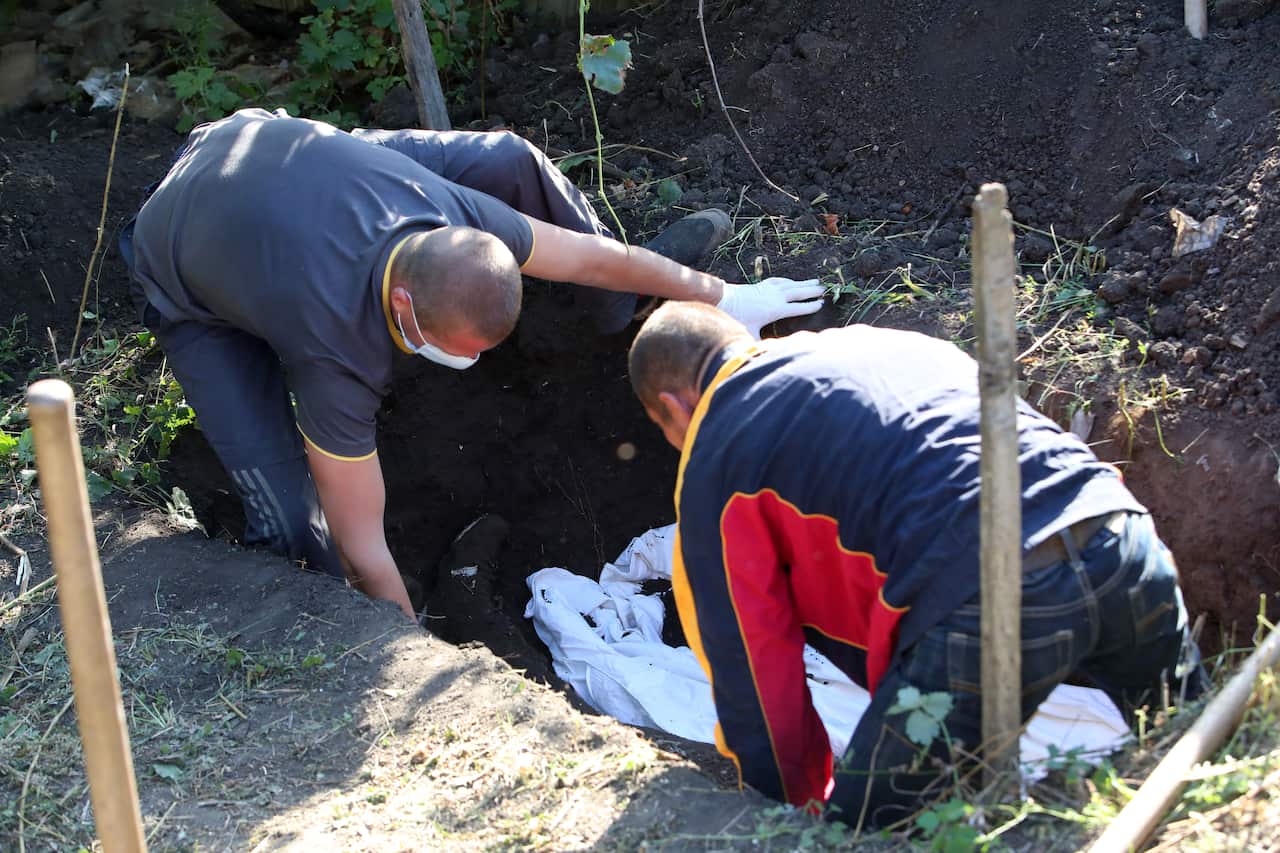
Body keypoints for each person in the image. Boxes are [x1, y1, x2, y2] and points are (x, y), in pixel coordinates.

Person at [119, 108, 825, 619]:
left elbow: (588, 256)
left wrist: (727, 295)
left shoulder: (454, 208)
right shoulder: (334, 355)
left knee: (510, 159)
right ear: (400, 303)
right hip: (182, 256)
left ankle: (624, 316)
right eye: (450, 350)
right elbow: (363, 541)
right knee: (293, 523)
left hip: (285, 158)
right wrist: (401, 639)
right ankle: (315, 618)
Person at [627, 302, 1206, 827]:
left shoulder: (716, 462)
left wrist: (795, 819)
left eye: (664, 430)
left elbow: (755, 677)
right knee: (1204, 753)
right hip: (1118, 533)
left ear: (674, 407)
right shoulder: (882, 343)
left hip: (987, 599)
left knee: (859, 836)